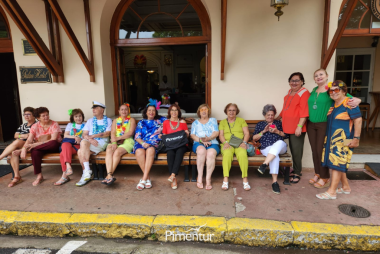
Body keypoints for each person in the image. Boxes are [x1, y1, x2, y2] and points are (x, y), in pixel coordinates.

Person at [308, 69, 361, 189]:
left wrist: (358, 99)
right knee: (314, 151)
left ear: (327, 76)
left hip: (324, 124)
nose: (318, 77)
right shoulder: (314, 90)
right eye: (316, 75)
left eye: (321, 74)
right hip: (311, 124)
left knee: (321, 150)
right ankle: (317, 173)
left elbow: (346, 96)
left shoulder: (332, 88)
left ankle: (324, 177)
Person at [316, 81, 362, 200]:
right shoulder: (334, 104)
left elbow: (358, 120)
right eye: (331, 91)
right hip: (333, 140)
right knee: (338, 163)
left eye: (336, 90)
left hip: (344, 139)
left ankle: (332, 192)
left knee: (337, 164)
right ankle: (346, 187)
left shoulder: (349, 103)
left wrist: (356, 138)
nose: (333, 93)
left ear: (343, 91)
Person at [9, 107, 62, 187]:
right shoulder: (35, 126)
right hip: (40, 147)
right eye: (43, 116)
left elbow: (53, 139)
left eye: (47, 115)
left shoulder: (54, 124)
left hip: (52, 146)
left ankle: (24, 150)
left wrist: (34, 145)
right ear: (38, 118)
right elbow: (29, 139)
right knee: (35, 152)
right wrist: (24, 148)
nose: (46, 117)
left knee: (53, 142)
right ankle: (39, 176)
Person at [278, 72, 310, 184]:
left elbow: (305, 112)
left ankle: (297, 173)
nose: (294, 82)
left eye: (297, 80)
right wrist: (277, 118)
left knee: (296, 151)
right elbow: (285, 108)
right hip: (287, 126)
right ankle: (294, 170)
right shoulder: (289, 92)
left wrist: (299, 126)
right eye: (292, 80)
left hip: (296, 127)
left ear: (302, 82)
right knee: (291, 149)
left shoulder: (304, 93)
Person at [253, 104, 288, 194]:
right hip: (266, 148)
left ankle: (264, 164)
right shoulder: (260, 124)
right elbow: (254, 138)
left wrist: (277, 131)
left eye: (272, 115)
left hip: (281, 147)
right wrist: (263, 131)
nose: (270, 116)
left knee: (279, 143)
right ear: (264, 115)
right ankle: (274, 182)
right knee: (274, 156)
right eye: (268, 115)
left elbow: (286, 135)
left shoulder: (278, 123)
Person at [76, 101, 112, 187]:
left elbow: (107, 133)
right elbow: (84, 134)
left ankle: (85, 174)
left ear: (102, 110)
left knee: (80, 152)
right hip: (90, 142)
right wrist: (90, 139)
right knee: (83, 145)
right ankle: (87, 172)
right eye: (93, 108)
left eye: (96, 108)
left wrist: (93, 136)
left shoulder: (108, 120)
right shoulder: (90, 121)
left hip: (101, 143)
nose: (93, 110)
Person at [133, 99, 166, 190]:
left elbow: (173, 121)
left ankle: (143, 179)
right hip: (141, 142)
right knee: (139, 151)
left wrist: (163, 135)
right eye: (149, 110)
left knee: (150, 150)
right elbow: (137, 137)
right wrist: (143, 143)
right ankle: (147, 178)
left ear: (156, 112)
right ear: (146, 112)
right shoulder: (141, 122)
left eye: (153, 110)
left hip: (154, 143)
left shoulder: (161, 120)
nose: (151, 112)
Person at [102, 103, 136, 185]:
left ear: (128, 111)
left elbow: (130, 133)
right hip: (115, 141)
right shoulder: (115, 121)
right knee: (109, 149)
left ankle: (108, 175)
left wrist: (117, 138)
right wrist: (114, 142)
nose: (124, 111)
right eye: (122, 109)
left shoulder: (132, 120)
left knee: (117, 152)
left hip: (127, 141)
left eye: (126, 109)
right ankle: (110, 175)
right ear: (119, 111)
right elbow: (113, 132)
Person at [219, 103, 250, 191]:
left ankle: (245, 179)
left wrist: (244, 142)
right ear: (226, 111)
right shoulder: (223, 122)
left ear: (236, 111)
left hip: (240, 143)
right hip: (227, 144)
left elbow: (247, 133)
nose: (231, 112)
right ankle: (225, 179)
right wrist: (225, 143)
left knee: (242, 154)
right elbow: (221, 135)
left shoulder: (241, 120)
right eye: (230, 110)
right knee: (227, 154)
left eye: (233, 110)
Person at [190, 104, 220, 190]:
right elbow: (192, 135)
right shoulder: (195, 123)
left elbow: (216, 132)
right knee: (201, 151)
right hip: (198, 143)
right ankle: (199, 177)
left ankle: (208, 178)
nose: (203, 111)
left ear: (208, 111)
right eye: (201, 110)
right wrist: (201, 140)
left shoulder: (213, 120)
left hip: (212, 142)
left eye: (205, 109)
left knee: (210, 153)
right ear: (199, 112)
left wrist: (209, 138)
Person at [54, 109, 86, 186]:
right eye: (76, 116)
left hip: (79, 145)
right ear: (73, 118)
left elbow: (87, 136)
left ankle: (64, 176)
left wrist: (80, 138)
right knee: (65, 144)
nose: (78, 118)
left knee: (62, 153)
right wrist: (75, 137)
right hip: (69, 144)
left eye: (80, 116)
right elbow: (65, 135)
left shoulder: (86, 125)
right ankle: (68, 166)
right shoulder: (70, 125)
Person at [162, 104, 189, 190]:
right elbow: (165, 135)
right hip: (171, 145)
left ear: (178, 112)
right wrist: (161, 136)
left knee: (180, 151)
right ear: (169, 112)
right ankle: (174, 178)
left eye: (176, 110)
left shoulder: (182, 122)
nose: (174, 112)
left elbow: (187, 136)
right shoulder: (166, 122)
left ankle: (172, 175)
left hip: (182, 145)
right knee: (170, 153)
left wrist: (187, 134)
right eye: (172, 110)